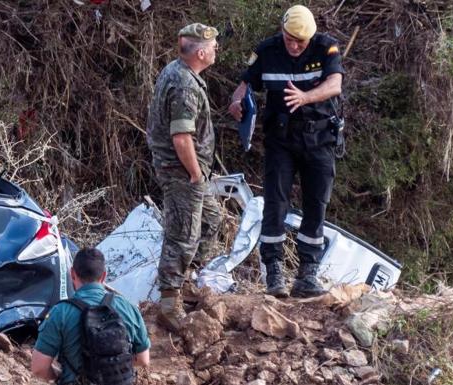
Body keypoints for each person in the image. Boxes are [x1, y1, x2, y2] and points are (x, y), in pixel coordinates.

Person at [228, 5, 344, 298]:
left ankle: (307, 274)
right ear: (282, 31)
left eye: (300, 42)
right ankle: (274, 272)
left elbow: (334, 84)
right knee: (275, 203)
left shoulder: (326, 48)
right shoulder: (267, 51)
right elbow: (245, 84)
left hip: (319, 139)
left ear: (310, 38)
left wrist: (305, 97)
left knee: (316, 204)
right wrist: (237, 101)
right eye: (289, 38)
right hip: (280, 139)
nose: (294, 45)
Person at [146, 23, 222, 331]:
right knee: (182, 235)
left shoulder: (179, 72)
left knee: (211, 220)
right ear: (201, 52)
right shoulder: (185, 85)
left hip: (189, 171)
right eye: (214, 46)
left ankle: (187, 281)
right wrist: (194, 173)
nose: (216, 50)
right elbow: (181, 137)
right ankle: (169, 303)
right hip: (181, 172)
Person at [31, 247, 150, 384]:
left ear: (72, 274)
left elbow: (39, 368)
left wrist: (59, 376)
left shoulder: (60, 312)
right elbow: (143, 359)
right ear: (104, 276)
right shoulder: (127, 307)